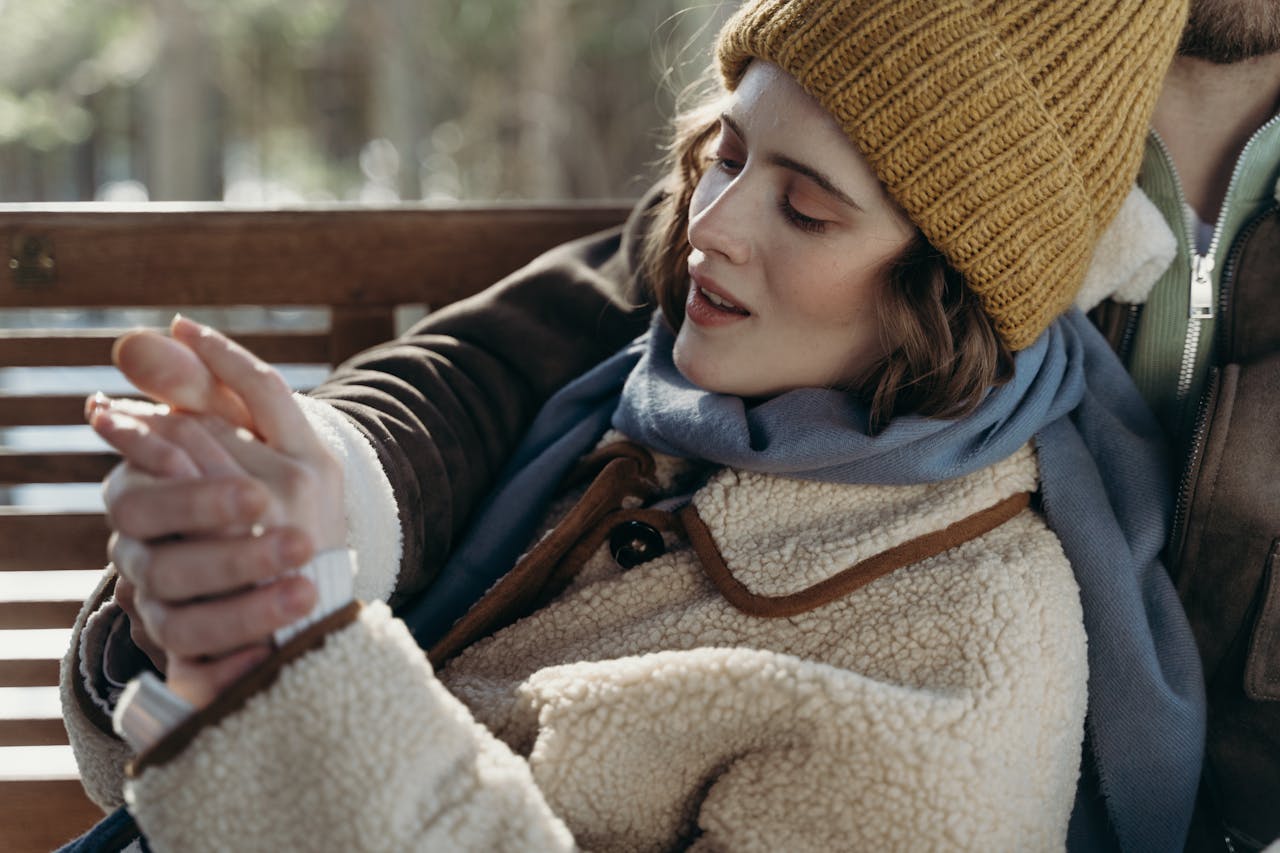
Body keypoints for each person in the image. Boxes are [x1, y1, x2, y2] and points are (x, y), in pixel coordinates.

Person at [56, 0, 1207, 850]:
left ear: (944, 297)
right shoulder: (647, 395)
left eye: (805, 209)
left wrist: (289, 668)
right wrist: (217, 587)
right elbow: (462, 379)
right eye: (728, 154)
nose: (710, 223)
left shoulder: (972, 644)